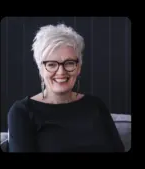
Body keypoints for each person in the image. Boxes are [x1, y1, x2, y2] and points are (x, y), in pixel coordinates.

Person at [7, 23, 125, 152]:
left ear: (78, 67)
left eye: (69, 63)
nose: (61, 72)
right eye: (51, 64)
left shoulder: (96, 105)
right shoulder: (22, 112)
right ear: (40, 69)